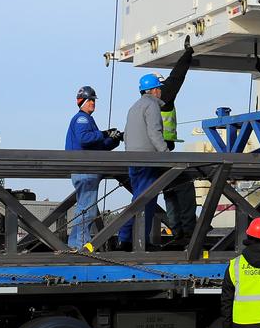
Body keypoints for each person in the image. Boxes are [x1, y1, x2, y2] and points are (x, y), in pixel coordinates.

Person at [63, 86, 122, 249]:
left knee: (83, 208)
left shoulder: (87, 119)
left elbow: (97, 146)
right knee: (87, 209)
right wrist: (104, 134)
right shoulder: (82, 119)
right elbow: (84, 139)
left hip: (85, 169)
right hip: (85, 170)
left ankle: (75, 244)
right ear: (81, 101)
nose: (93, 103)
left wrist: (114, 139)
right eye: (90, 100)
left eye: (94, 100)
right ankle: (82, 245)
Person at [121, 73, 168, 251]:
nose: (161, 92)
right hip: (148, 160)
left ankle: (126, 239)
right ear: (154, 90)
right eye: (159, 88)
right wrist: (166, 154)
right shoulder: (152, 105)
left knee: (137, 199)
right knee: (146, 201)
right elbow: (154, 133)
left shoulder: (133, 107)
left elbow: (126, 135)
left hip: (133, 160)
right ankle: (140, 242)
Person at [159, 36, 198, 247]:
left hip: (153, 154)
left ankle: (177, 232)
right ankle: (189, 232)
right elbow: (177, 77)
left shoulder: (140, 105)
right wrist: (187, 54)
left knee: (170, 192)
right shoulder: (162, 97)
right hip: (162, 151)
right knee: (183, 186)